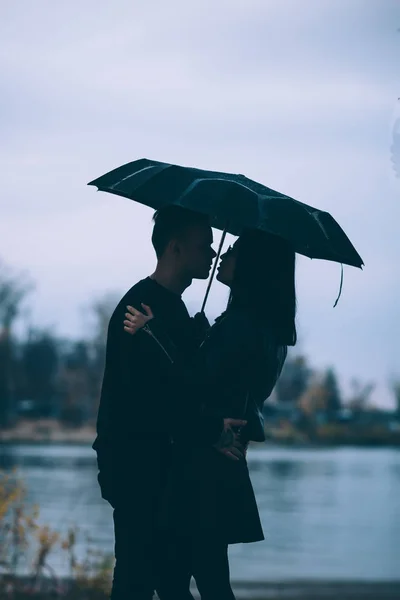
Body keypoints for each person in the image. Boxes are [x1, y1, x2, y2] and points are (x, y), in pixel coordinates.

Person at [123, 227, 298, 600]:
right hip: (219, 464)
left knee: (180, 579)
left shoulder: (240, 326)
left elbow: (191, 383)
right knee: (208, 576)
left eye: (233, 252)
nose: (222, 256)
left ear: (254, 266)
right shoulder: (268, 330)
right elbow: (233, 387)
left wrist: (152, 333)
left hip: (202, 466)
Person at [92, 205, 245, 600]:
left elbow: (184, 386)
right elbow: (154, 401)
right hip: (135, 468)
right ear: (175, 248)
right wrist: (212, 431)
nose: (211, 255)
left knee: (167, 578)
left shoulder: (173, 308)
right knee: (136, 579)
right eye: (203, 247)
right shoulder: (139, 307)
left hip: (162, 470)